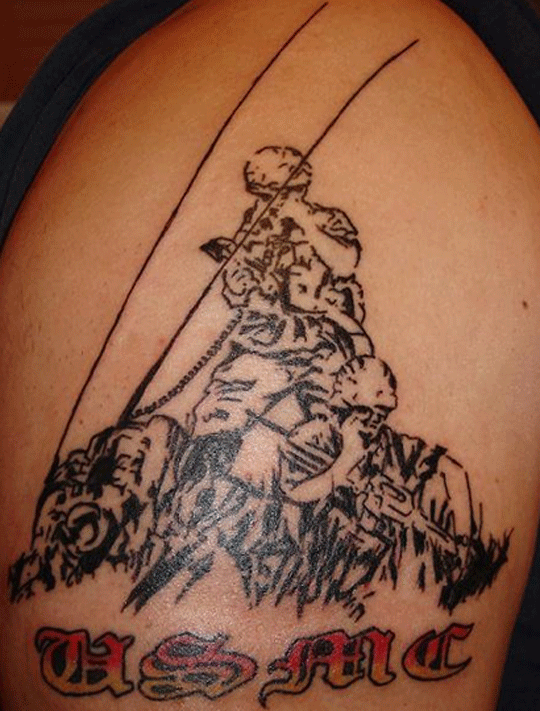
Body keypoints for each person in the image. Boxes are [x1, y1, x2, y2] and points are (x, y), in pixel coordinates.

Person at [1, 1, 540, 710]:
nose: (264, 192)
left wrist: (299, 232)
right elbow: (238, 295)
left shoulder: (340, 153)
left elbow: (342, 264)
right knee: (223, 422)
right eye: (260, 187)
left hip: (319, 355)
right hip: (268, 352)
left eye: (273, 184)